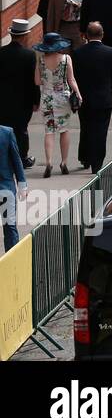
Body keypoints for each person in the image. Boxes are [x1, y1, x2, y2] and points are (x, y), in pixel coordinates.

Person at [71, 22, 112, 174]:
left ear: (86, 35)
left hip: (84, 97)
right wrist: (107, 84)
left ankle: (85, 157)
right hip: (103, 97)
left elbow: (75, 75)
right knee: (101, 130)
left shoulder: (78, 52)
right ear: (102, 34)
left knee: (85, 127)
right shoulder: (111, 52)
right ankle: (97, 163)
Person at [34, 31, 81, 178]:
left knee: (49, 131)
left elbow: (37, 81)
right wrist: (78, 93)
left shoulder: (41, 60)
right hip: (63, 98)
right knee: (64, 130)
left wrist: (47, 80)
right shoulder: (66, 59)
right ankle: (64, 162)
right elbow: (71, 79)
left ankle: (48, 162)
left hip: (47, 98)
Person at [0, 18, 40, 169]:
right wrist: (36, 100)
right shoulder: (29, 55)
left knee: (3, 128)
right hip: (23, 100)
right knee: (21, 129)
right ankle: (22, 158)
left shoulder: (1, 53)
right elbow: (33, 81)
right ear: (24, 36)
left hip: (3, 99)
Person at [0, 123, 27, 253]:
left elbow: (16, 160)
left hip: (6, 187)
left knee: (9, 226)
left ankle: (12, 261)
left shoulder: (6, 132)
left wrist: (22, 184)